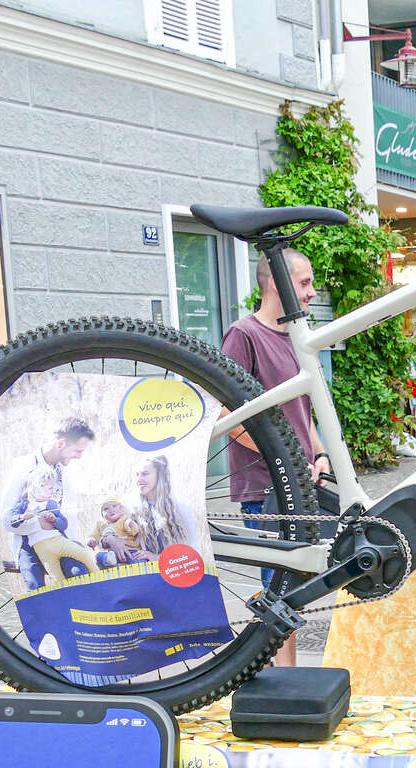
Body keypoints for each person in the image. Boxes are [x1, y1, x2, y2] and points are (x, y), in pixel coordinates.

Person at [221, 247, 331, 665]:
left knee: (292, 584)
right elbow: (227, 416)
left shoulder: (295, 337)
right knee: (280, 588)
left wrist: (319, 453)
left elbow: (302, 411)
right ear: (274, 284)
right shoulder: (244, 335)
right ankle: (284, 676)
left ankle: (271, 668)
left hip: (301, 481)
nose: (312, 292)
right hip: (265, 485)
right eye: (304, 283)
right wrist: (284, 457)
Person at [0, 416, 95, 591]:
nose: (79, 456)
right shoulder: (23, 467)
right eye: (77, 450)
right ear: (61, 443)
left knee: (79, 573)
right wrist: (38, 524)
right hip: (27, 542)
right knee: (35, 587)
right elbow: (6, 519)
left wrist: (73, 540)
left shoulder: (64, 472)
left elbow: (68, 514)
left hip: (57, 537)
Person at [9, 463, 97, 583]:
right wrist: (22, 517)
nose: (53, 491)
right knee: (57, 578)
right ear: (38, 486)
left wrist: (54, 520)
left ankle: (99, 577)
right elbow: (12, 521)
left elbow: (63, 524)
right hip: (41, 549)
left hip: (58, 541)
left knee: (83, 554)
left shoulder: (51, 503)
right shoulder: (23, 505)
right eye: (50, 488)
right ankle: (68, 594)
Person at [132, 455, 199, 557]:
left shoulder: (180, 507)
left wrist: (156, 558)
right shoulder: (132, 507)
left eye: (145, 474)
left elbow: (193, 548)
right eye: (137, 474)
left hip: (173, 564)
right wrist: (110, 538)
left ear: (160, 476)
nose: (139, 479)